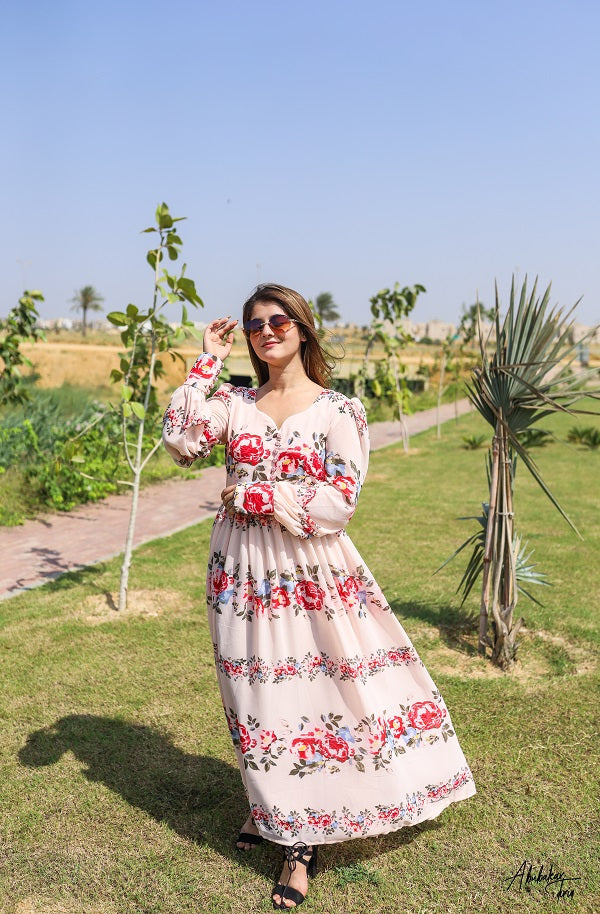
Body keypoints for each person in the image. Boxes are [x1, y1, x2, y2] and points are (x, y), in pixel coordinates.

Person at [162, 283, 476, 909]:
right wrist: (205, 361)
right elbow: (179, 442)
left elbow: (339, 503)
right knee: (252, 695)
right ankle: (270, 806)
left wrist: (256, 496)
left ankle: (300, 846)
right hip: (240, 571)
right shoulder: (233, 404)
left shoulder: (339, 411)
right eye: (255, 325)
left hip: (312, 573)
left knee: (309, 693)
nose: (267, 331)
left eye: (280, 321)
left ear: (303, 329)